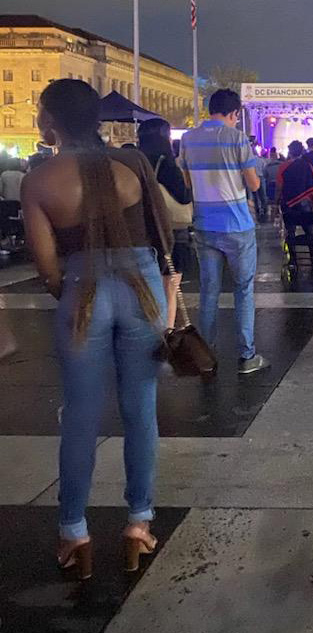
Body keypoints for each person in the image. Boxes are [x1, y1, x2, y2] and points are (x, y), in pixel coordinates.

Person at [21, 79, 171, 579]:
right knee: (140, 409)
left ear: (50, 121)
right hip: (142, 285)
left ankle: (74, 531)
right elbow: (163, 232)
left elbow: (46, 267)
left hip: (82, 288)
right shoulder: (133, 165)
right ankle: (138, 524)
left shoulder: (40, 180)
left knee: (81, 415)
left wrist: (71, 290)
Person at [179, 89, 270, 374]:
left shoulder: (188, 139)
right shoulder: (237, 138)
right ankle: (247, 355)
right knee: (243, 289)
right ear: (234, 114)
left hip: (205, 223)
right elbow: (254, 184)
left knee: (209, 291)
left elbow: (187, 180)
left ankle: (207, 356)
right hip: (237, 226)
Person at [137, 118, 193, 328]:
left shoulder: (135, 161)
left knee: (146, 288)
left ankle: (149, 330)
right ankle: (166, 332)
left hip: (141, 232)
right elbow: (183, 197)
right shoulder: (166, 164)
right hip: (169, 233)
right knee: (170, 288)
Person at [280, 140, 313, 275]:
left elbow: (280, 187)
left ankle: (292, 261)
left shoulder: (284, 166)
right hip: (305, 204)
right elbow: (312, 186)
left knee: (290, 233)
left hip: (288, 204)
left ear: (290, 151)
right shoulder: (307, 166)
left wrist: (276, 203)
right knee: (309, 232)